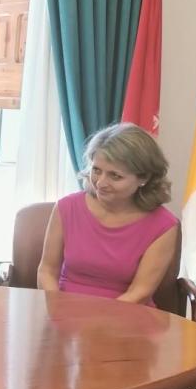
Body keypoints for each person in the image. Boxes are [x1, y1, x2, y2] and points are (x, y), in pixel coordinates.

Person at [37, 123, 178, 304]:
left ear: (144, 178)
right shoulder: (66, 207)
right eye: (97, 170)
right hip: (64, 313)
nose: (101, 183)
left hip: (126, 317)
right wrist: (57, 307)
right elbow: (47, 270)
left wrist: (97, 322)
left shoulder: (163, 225)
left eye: (115, 176)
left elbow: (140, 292)